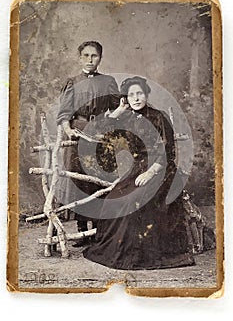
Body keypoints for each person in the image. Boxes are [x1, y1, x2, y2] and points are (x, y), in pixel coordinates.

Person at [83, 76, 195, 269]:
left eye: (139, 93)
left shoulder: (159, 116)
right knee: (113, 199)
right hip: (138, 168)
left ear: (146, 94)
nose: (136, 98)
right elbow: (98, 133)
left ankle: (135, 255)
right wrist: (116, 113)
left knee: (132, 203)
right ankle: (115, 249)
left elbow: (168, 152)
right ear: (125, 98)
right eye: (131, 95)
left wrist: (151, 173)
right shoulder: (127, 118)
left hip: (162, 169)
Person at [56, 41, 120, 244]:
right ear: (80, 57)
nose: (90, 60)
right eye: (86, 56)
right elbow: (65, 113)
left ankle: (100, 230)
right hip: (79, 132)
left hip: (101, 133)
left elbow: (117, 108)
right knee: (80, 179)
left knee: (101, 177)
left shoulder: (108, 81)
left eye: (94, 56)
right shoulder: (72, 82)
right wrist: (69, 131)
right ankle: (82, 229)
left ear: (100, 58)